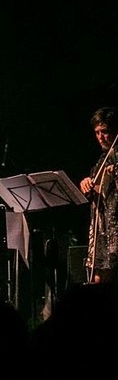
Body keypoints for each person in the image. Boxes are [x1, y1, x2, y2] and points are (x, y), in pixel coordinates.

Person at [79, 106, 118, 284]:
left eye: (105, 132)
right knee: (97, 279)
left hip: (115, 227)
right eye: (97, 132)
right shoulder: (103, 159)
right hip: (102, 229)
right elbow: (98, 189)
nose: (100, 137)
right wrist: (86, 183)